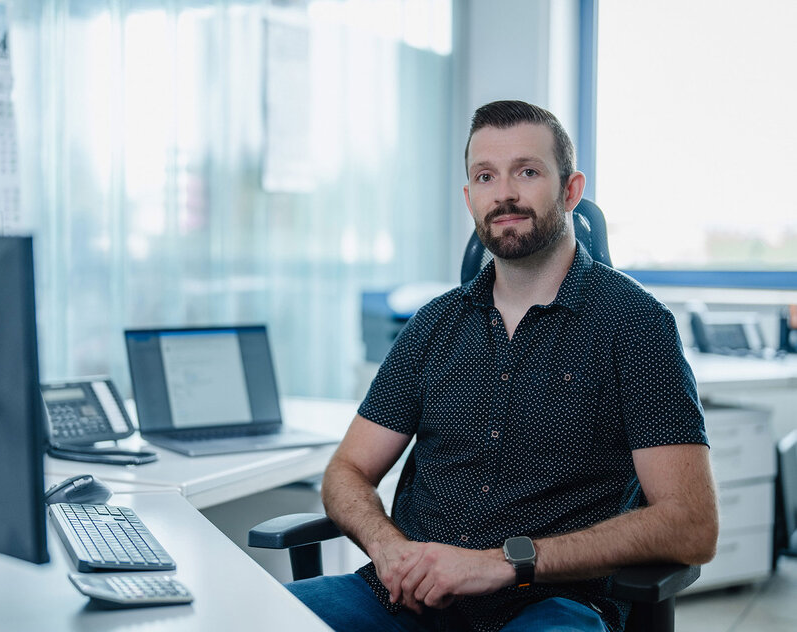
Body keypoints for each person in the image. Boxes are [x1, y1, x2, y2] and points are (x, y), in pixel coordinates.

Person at [287, 100, 719, 632]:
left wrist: (502, 563)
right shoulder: (434, 326)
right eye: (485, 176)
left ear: (571, 190)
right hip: (405, 598)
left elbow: (691, 523)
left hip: (550, 606)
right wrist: (388, 548)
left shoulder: (635, 326)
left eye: (528, 171)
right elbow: (346, 471)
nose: (505, 193)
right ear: (470, 199)